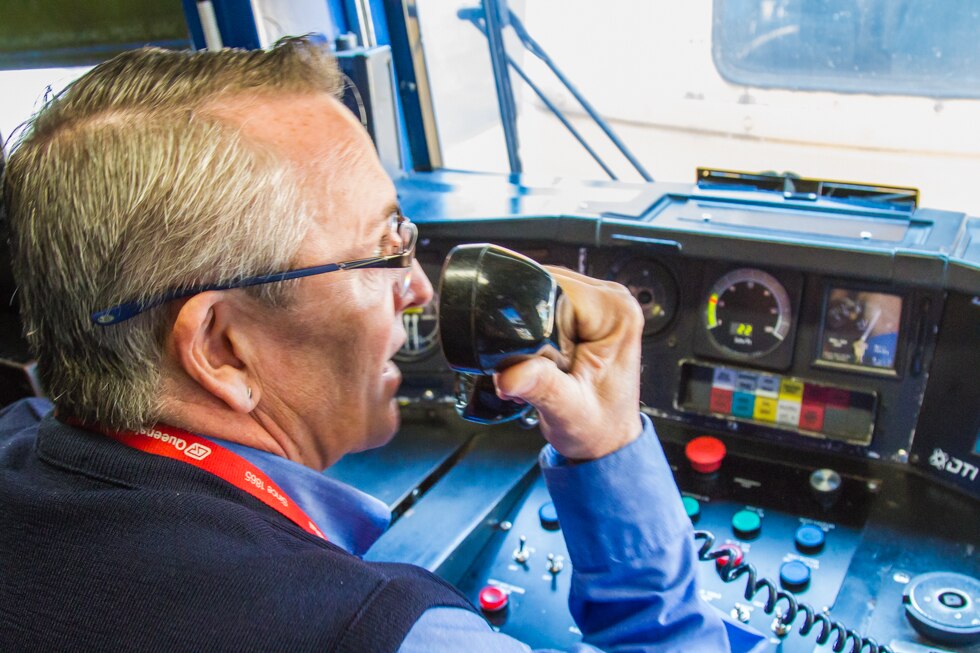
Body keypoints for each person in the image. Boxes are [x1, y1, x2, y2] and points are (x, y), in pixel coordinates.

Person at [0, 38, 764, 652]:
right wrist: (609, 450)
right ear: (223, 348)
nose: (422, 288)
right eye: (383, 250)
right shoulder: (388, 633)